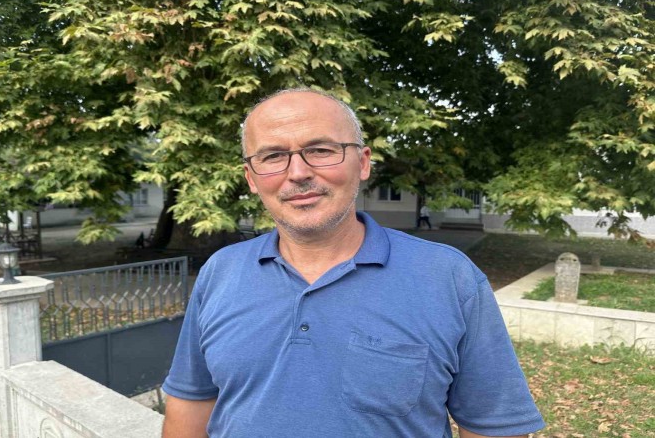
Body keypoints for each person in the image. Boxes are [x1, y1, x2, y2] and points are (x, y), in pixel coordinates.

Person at [162, 88, 544, 437]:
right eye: (273, 156)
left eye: (321, 150)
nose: (298, 173)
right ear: (251, 177)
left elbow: (495, 428)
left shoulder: (449, 278)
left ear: (362, 163)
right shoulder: (221, 272)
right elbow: (190, 404)